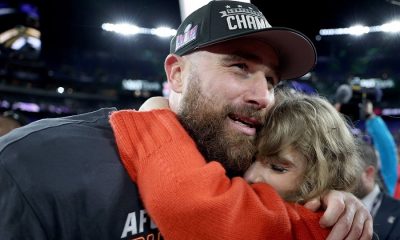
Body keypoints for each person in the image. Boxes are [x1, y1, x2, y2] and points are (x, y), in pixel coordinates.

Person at [0, 1, 372, 239]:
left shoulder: (247, 159)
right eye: (240, 66)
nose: (264, 96)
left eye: (272, 80)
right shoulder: (31, 164)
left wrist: (327, 200)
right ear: (176, 75)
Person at [110, 89, 363, 239]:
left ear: (324, 174)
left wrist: (153, 117)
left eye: (277, 167)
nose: (251, 176)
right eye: (252, 159)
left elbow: (194, 205)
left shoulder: (321, 227)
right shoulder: (329, 211)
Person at [353, 139, 400, 240]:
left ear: (368, 173)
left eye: (348, 172)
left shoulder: (397, 211)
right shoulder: (331, 207)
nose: (340, 178)